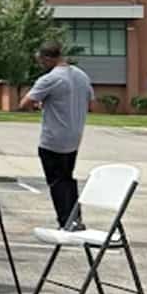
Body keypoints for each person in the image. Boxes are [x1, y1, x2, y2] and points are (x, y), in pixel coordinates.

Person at [19, 40, 94, 230]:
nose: (41, 65)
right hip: (74, 137)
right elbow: (91, 103)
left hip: (54, 139)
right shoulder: (81, 76)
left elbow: (25, 103)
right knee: (68, 178)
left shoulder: (51, 79)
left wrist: (40, 104)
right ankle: (75, 218)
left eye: (41, 61)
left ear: (47, 58)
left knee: (57, 182)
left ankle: (65, 222)